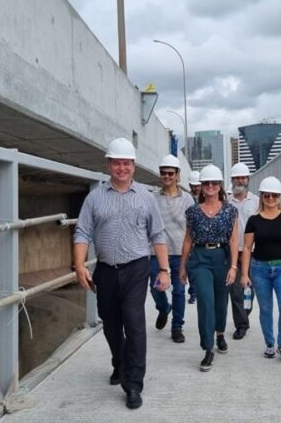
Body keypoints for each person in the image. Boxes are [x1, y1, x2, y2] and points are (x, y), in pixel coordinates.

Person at [73, 137, 170, 410]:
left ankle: (133, 384)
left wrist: (164, 270)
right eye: (117, 162)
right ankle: (120, 362)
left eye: (126, 163)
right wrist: (80, 265)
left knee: (134, 323)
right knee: (111, 322)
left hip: (137, 268)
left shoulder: (145, 198)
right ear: (109, 165)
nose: (122, 168)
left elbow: (157, 235)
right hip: (105, 270)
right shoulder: (94, 198)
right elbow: (82, 232)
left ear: (134, 166)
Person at [240, 177, 281, 363]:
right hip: (259, 269)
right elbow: (246, 248)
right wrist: (244, 274)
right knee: (266, 309)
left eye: (274, 195)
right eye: (266, 195)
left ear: (279, 196)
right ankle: (270, 343)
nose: (270, 198)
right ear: (261, 196)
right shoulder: (253, 220)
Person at [180, 164, 239, 372]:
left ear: (220, 185)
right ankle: (207, 348)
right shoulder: (193, 211)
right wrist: (182, 267)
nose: (211, 186)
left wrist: (233, 266)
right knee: (205, 301)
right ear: (201, 186)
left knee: (221, 300)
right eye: (207, 183)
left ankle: (220, 333)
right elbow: (188, 240)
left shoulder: (231, 210)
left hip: (222, 257)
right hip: (200, 258)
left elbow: (233, 240)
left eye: (214, 183)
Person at [149, 154, 195, 343]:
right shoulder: (151, 198)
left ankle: (177, 327)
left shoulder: (187, 199)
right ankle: (163, 308)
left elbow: (192, 228)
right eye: (163, 173)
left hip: (179, 253)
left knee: (178, 290)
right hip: (156, 254)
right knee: (156, 289)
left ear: (177, 175)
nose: (166, 176)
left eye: (170, 173)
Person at [227, 162, 259, 340]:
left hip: (253, 252)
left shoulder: (255, 201)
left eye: (243, 177)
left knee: (249, 289)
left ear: (247, 179)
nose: (240, 180)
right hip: (233, 252)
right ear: (232, 180)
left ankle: (245, 313)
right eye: (236, 177)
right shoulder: (226, 201)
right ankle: (241, 324)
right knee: (236, 290)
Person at [186, 170, 201, 304]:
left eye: (198, 185)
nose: (196, 188)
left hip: (202, 238)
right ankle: (193, 292)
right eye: (193, 186)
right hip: (191, 236)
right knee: (191, 267)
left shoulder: (206, 197)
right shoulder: (187, 198)